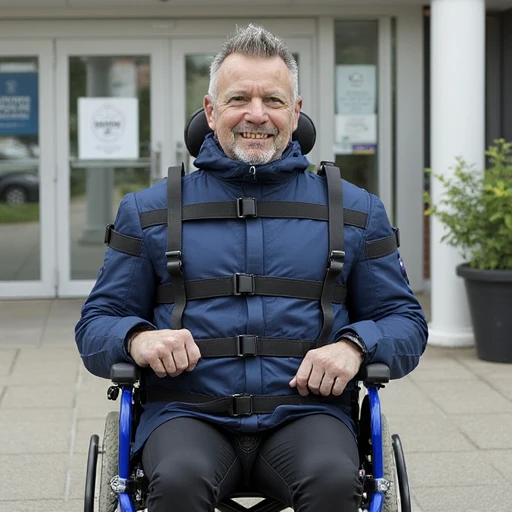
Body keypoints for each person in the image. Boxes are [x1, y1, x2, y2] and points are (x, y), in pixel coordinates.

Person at [75, 24, 428, 512]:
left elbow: (406, 322)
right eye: (239, 98)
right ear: (211, 109)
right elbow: (95, 325)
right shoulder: (148, 210)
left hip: (308, 415)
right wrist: (137, 338)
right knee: (177, 483)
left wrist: (355, 346)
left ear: (296, 111)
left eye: (274, 101)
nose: (257, 115)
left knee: (332, 481)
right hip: (186, 414)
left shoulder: (355, 211)